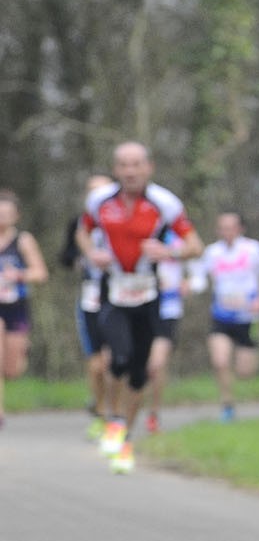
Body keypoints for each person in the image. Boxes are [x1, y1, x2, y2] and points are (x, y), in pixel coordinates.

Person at [79, 142, 203, 473]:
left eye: (136, 164)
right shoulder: (99, 201)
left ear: (149, 168)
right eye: (123, 165)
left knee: (140, 371)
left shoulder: (165, 204)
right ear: (115, 169)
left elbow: (195, 246)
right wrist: (91, 253)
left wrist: (169, 252)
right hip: (114, 291)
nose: (130, 171)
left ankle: (126, 437)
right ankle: (113, 420)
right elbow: (82, 232)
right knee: (116, 357)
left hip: (149, 294)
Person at [198, 212, 259, 422]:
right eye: (222, 228)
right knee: (220, 361)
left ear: (240, 229)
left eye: (230, 227)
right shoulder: (212, 252)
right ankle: (227, 405)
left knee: (245, 372)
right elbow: (199, 278)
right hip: (221, 316)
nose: (226, 232)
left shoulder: (253, 249)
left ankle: (241, 386)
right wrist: (188, 286)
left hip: (248, 317)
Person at [59, 174, 115, 438]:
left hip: (119, 297)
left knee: (114, 361)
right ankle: (99, 410)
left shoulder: (123, 220)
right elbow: (65, 255)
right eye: (92, 191)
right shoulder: (79, 223)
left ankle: (115, 413)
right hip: (90, 297)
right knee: (96, 365)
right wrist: (80, 260)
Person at [0, 191, 51, 428]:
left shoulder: (23, 240)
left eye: (7, 213)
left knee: (11, 370)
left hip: (16, 306)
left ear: (16, 216)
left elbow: (40, 273)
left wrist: (19, 275)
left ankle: (22, 352)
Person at [143, 229, 196, 434]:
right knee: (131, 362)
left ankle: (154, 414)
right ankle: (118, 414)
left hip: (168, 309)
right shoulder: (132, 229)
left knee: (156, 365)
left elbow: (198, 272)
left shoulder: (178, 236)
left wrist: (189, 283)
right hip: (138, 308)